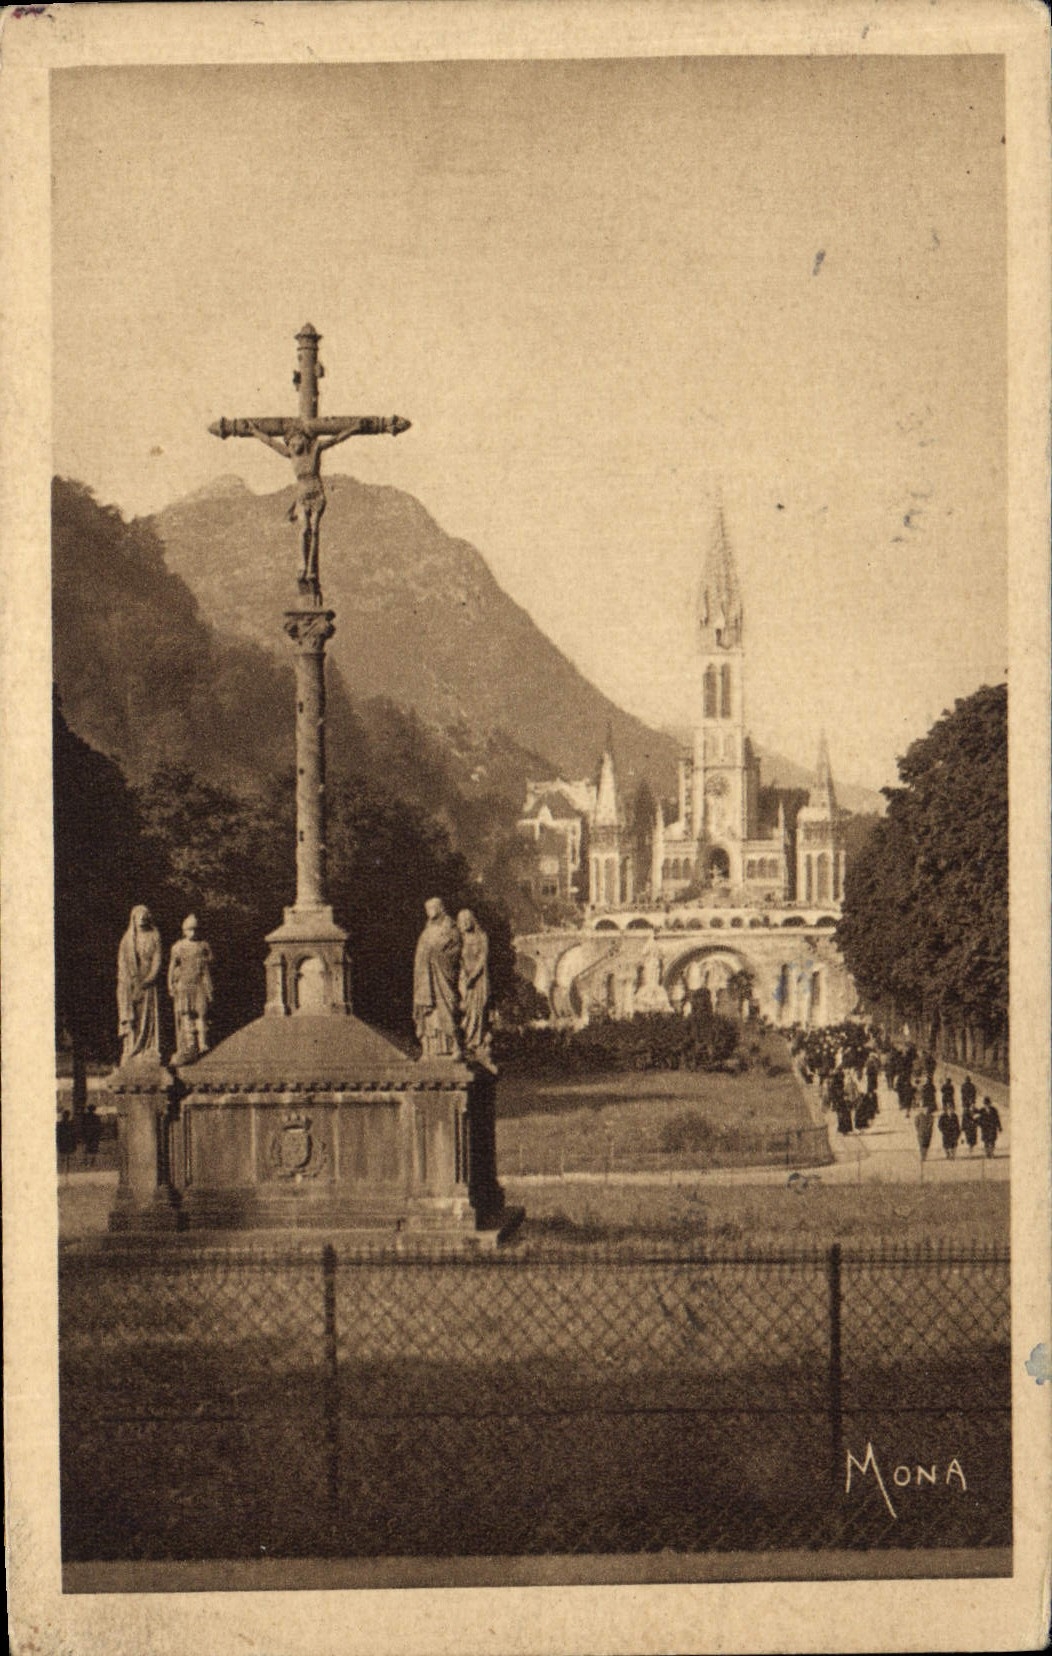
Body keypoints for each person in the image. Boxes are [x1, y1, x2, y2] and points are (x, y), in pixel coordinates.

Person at [247, 419, 364, 589]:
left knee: (314, 530)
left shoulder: (316, 449)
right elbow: (270, 442)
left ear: (304, 439)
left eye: (297, 441)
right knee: (304, 530)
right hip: (302, 497)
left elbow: (336, 439)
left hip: (317, 495)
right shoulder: (290, 453)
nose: (294, 445)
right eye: (291, 443)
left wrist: (354, 428)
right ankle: (302, 566)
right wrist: (254, 432)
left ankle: (311, 568)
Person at [413, 898, 462, 1059]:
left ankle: (454, 1046)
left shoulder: (450, 927)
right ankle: (429, 1050)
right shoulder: (427, 930)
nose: (429, 911)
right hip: (425, 979)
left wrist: (437, 956)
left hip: (442, 975)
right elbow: (420, 954)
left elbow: (455, 950)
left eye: (432, 907)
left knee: (447, 1008)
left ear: (440, 908)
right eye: (427, 908)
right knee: (429, 1014)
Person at [116, 904, 163, 1065]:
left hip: (148, 981)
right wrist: (130, 980)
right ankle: (131, 1049)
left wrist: (150, 978)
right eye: (138, 916)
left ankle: (148, 1049)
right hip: (130, 982)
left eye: (144, 916)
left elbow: (157, 959)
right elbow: (122, 963)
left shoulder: (154, 936)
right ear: (133, 919)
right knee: (132, 1017)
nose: (142, 919)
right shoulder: (127, 939)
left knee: (148, 1017)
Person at [167, 914, 214, 1064]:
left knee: (202, 1014)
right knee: (186, 1015)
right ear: (184, 931)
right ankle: (190, 1044)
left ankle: (203, 1043)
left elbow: (210, 962)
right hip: (184, 985)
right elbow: (172, 966)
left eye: (195, 929)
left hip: (199, 984)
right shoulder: (178, 947)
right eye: (189, 930)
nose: (192, 933)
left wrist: (208, 984)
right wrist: (170, 984)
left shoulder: (203, 945)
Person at [456, 909, 492, 1063]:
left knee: (478, 1011)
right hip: (465, 981)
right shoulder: (461, 939)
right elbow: (459, 959)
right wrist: (465, 975)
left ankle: (476, 1043)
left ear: (472, 920)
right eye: (462, 921)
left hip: (479, 982)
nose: (465, 923)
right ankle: (466, 1043)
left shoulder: (482, 937)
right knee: (466, 1011)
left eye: (467, 919)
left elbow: (483, 959)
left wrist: (473, 975)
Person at [81, 1104, 103, 1168]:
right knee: (94, 1149)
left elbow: (83, 1126)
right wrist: (98, 1134)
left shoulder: (85, 1117)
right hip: (94, 1135)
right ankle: (92, 1162)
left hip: (87, 1135)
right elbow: (99, 1127)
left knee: (86, 1148)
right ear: (94, 1109)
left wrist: (83, 1134)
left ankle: (86, 1161)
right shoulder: (96, 1117)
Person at [56, 1109, 77, 1175]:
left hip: (63, 1142)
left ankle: (63, 1170)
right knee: (67, 1157)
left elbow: (57, 1134)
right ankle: (66, 1170)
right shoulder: (71, 1124)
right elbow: (74, 1135)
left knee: (63, 1157)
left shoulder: (59, 1124)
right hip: (68, 1142)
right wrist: (74, 1144)